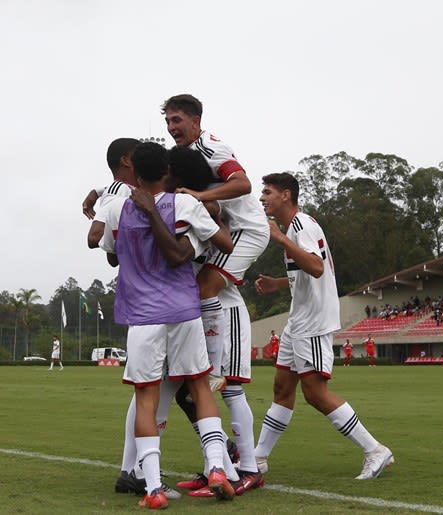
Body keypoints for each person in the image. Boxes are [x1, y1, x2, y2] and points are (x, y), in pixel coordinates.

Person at [96, 142, 237, 507]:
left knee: (146, 398)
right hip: (184, 311)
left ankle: (154, 489)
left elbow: (111, 255)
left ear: (134, 173)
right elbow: (221, 242)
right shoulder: (186, 204)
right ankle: (218, 468)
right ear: (168, 171)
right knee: (201, 389)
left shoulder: (116, 208)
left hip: (142, 316)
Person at [253, 172, 393, 480]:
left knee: (315, 393)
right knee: (281, 388)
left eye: (267, 192)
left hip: (313, 322)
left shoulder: (299, 226)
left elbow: (316, 267)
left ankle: (375, 450)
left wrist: (278, 238)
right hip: (298, 320)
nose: (262, 197)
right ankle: (258, 458)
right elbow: (310, 271)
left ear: (286, 195)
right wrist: (278, 283)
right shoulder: (299, 226)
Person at [162, 94, 269, 391]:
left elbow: (243, 183)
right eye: (168, 121)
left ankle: (213, 368)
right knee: (223, 296)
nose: (171, 127)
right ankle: (229, 368)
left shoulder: (212, 148)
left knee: (205, 287)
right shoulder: (184, 152)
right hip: (225, 230)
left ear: (195, 121)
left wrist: (199, 197)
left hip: (245, 230)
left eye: (177, 120)